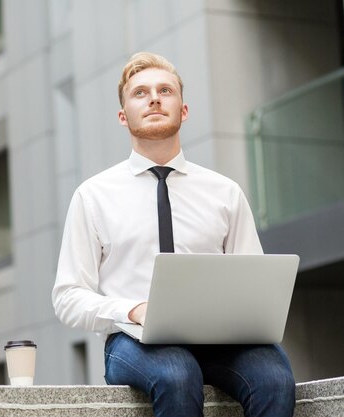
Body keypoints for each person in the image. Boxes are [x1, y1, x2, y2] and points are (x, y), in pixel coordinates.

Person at [51, 52, 295, 417]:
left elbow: (254, 281)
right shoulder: (93, 195)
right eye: (140, 93)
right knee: (176, 373)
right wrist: (132, 310)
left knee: (275, 378)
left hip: (220, 339)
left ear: (183, 111)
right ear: (123, 116)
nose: (153, 98)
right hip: (133, 340)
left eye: (165, 90)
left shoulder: (224, 192)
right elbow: (68, 297)